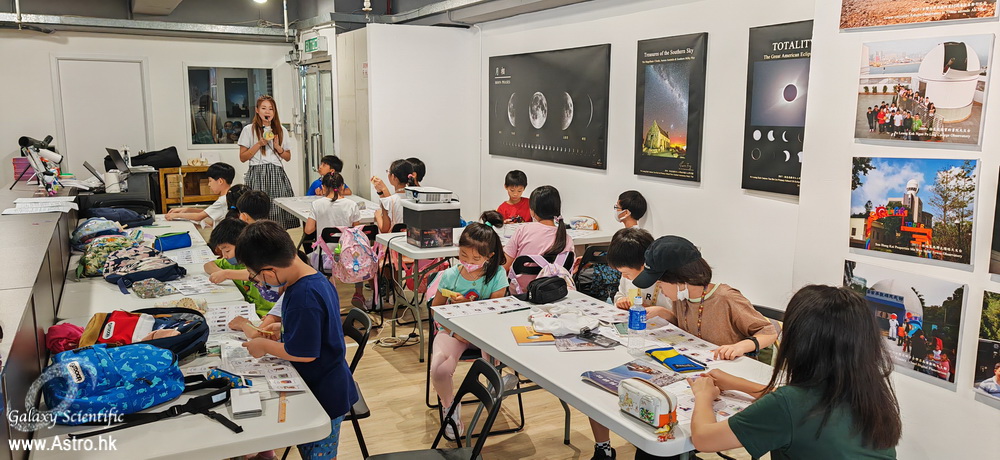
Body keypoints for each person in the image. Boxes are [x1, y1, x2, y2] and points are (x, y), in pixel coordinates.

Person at [687, 285, 901, 459]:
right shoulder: (871, 393)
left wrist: (703, 395)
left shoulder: (788, 404)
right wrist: (737, 383)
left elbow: (704, 439)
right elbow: (797, 403)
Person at [238, 221, 358, 460]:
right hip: (321, 385)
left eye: (256, 276)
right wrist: (283, 328)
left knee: (319, 455)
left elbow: (305, 353)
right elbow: (319, 329)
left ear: (269, 271)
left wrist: (264, 345)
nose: (259, 282)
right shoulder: (313, 279)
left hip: (323, 394)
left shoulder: (304, 296)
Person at [588, 227, 671, 460]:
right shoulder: (628, 278)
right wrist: (621, 301)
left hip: (659, 346)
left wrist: (662, 312)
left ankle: (649, 443)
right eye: (620, 273)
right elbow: (618, 295)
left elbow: (682, 321)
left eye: (625, 272)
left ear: (645, 265)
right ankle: (603, 447)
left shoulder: (668, 282)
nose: (624, 277)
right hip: (630, 341)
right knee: (595, 386)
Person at [630, 235, 777, 360]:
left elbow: (769, 332)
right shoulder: (682, 297)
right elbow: (688, 327)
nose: (660, 289)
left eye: (660, 283)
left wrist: (740, 347)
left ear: (679, 279)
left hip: (732, 367)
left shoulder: (726, 298)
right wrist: (663, 313)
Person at [429, 223, 511, 441]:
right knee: (439, 368)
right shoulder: (449, 275)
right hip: (454, 331)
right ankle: (449, 406)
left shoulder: (497, 274)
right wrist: (453, 332)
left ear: (489, 256)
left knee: (498, 356)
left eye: (476, 259)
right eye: (463, 255)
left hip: (485, 331)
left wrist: (467, 304)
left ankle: (496, 387)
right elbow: (436, 309)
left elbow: (496, 310)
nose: (468, 262)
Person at [304, 172, 365, 309]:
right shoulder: (351, 205)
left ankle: (324, 294)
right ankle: (358, 293)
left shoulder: (317, 204)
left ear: (323, 187)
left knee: (306, 259)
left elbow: (308, 230)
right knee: (359, 253)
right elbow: (356, 231)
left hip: (324, 258)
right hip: (348, 257)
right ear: (342, 186)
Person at [238, 95, 299, 229]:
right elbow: (242, 157)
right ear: (257, 110)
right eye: (264, 108)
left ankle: (276, 236)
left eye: (271, 109)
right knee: (256, 210)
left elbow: (287, 157)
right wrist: (259, 144)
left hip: (276, 173)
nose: (267, 112)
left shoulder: (281, 130)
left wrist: (277, 147)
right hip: (257, 173)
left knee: (278, 210)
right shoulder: (249, 129)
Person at [502, 185, 573, 292]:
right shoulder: (567, 238)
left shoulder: (523, 230)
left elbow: (504, 266)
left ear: (532, 210)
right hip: (554, 293)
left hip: (521, 293)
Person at [203, 218, 274, 318]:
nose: (225, 256)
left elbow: (257, 274)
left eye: (227, 251)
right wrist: (220, 272)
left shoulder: (262, 261)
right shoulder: (236, 262)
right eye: (222, 251)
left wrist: (227, 274)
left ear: (242, 244)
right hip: (248, 311)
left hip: (268, 315)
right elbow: (208, 265)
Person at [165, 162, 234, 227]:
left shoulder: (222, 201)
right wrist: (187, 209)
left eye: (210, 181)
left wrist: (175, 215)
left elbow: (199, 216)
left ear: (220, 181)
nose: (209, 184)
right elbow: (207, 212)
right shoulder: (229, 196)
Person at [370, 159, 417, 233]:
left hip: (395, 238)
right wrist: (381, 192)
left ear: (393, 177)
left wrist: (378, 216)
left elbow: (384, 229)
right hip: (413, 237)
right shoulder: (417, 197)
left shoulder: (388, 201)